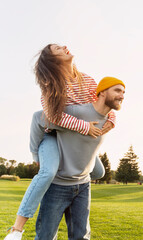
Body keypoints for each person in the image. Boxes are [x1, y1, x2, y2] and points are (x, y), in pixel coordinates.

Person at [5, 44, 115, 240]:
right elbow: (52, 117)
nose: (65, 46)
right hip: (53, 136)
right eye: (57, 48)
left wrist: (112, 119)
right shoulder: (51, 86)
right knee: (48, 171)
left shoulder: (87, 80)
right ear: (52, 60)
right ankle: (17, 229)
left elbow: (103, 102)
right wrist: (85, 127)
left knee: (99, 172)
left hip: (76, 139)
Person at [32, 76, 125, 239]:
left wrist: (113, 118)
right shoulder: (76, 111)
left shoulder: (109, 122)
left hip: (83, 186)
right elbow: (38, 118)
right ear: (102, 92)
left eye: (124, 92)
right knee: (45, 236)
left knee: (81, 236)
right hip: (57, 186)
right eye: (117, 90)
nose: (122, 96)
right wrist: (36, 155)